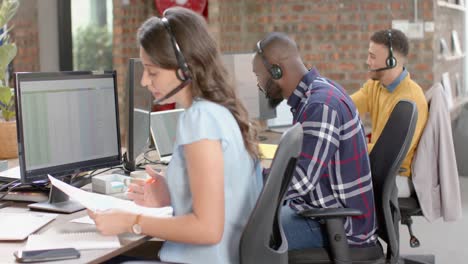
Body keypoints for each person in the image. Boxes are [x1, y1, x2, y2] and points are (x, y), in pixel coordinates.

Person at [88, 7, 262, 264]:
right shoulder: (220, 112)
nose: (145, 81)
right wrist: (171, 195)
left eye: (153, 72)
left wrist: (131, 221)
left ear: (183, 68)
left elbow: (208, 230)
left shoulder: (199, 120)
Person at [252, 32, 376, 250]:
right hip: (319, 211)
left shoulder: (320, 105)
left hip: (338, 227)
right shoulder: (315, 93)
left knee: (246, 237)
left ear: (276, 70)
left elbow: (300, 181)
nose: (259, 85)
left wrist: (245, 185)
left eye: (258, 76)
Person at [351, 29, 428, 198]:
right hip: (377, 166)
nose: (367, 61)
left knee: (334, 186)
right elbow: (348, 107)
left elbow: (388, 154)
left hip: (396, 177)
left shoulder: (409, 100)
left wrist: (348, 145)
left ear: (391, 61)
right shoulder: (376, 86)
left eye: (372, 56)